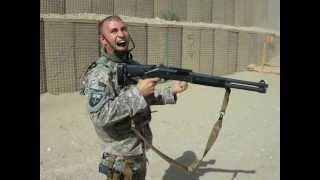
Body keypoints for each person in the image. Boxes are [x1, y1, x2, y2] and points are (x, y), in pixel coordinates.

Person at [80, 15, 188, 180]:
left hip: (137, 148)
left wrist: (171, 91)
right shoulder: (100, 74)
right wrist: (137, 92)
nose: (121, 34)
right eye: (114, 31)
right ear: (103, 39)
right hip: (120, 158)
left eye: (124, 29)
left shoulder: (132, 66)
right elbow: (100, 115)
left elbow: (145, 97)